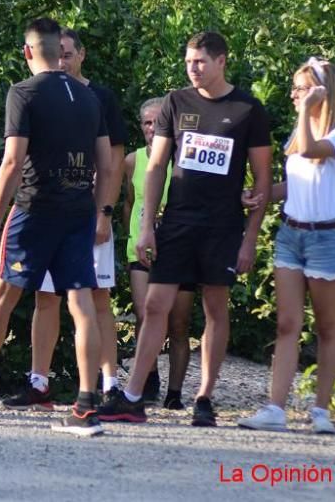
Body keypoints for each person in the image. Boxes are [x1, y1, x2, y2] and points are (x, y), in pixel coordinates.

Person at [0, 18, 114, 437]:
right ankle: (86, 407)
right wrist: (102, 209)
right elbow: (107, 163)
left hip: (35, 209)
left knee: (2, 299)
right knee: (81, 303)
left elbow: (12, 161)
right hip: (79, 209)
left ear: (28, 52)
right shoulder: (87, 97)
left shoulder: (23, 92)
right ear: (57, 51)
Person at [121, 31, 272, 427]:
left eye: (200, 62)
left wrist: (250, 239)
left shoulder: (247, 110)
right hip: (176, 221)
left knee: (215, 309)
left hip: (222, 226)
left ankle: (204, 397)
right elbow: (155, 167)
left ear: (222, 61)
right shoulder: (176, 101)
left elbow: (261, 180)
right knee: (155, 305)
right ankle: (133, 396)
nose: (193, 69)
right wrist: (146, 226)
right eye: (188, 61)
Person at [0, 28, 126, 414]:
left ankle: (109, 386)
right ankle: (40, 382)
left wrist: (104, 212)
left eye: (69, 54)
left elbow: (114, 162)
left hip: (85, 216)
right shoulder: (40, 96)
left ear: (80, 55)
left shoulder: (96, 97)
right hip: (48, 213)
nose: (64, 61)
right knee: (46, 298)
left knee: (93, 299)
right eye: (61, 54)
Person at [238, 58, 335, 434]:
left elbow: (309, 152)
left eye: (301, 89)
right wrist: (260, 195)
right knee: (287, 323)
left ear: (323, 92)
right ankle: (275, 407)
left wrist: (307, 111)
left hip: (326, 238)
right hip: (291, 234)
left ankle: (321, 411)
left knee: (326, 327)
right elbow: (297, 183)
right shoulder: (299, 132)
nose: (293, 95)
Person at [124, 97, 194, 410]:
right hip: (141, 244)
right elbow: (128, 201)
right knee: (144, 313)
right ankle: (148, 379)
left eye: (157, 122)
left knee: (179, 324)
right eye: (146, 123)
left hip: (179, 245)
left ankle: (175, 392)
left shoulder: (184, 159)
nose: (152, 129)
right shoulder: (132, 160)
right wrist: (133, 233)